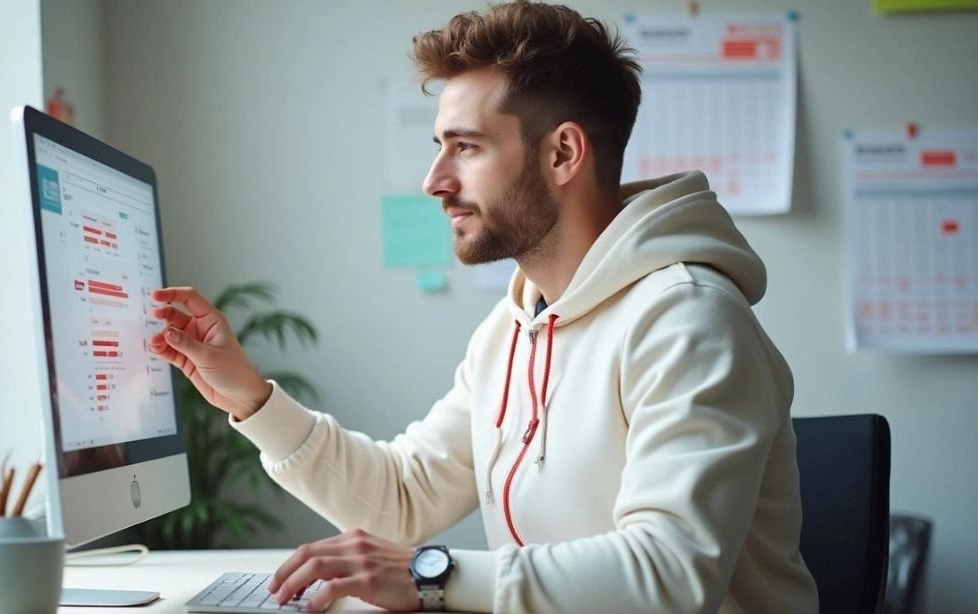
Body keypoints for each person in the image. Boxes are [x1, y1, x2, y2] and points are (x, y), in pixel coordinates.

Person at [148, 1, 818, 612]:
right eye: (439, 146)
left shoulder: (689, 321)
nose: (435, 181)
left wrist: (426, 575)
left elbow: (670, 574)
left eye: (465, 147)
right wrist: (250, 401)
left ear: (562, 153)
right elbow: (402, 496)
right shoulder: (512, 329)